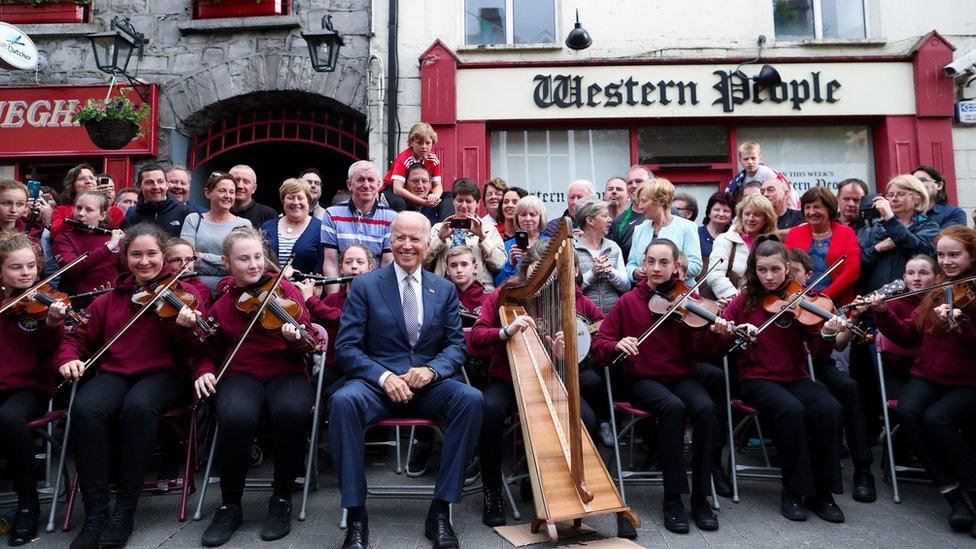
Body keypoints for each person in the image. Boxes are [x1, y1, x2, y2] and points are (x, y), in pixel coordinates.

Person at [329, 211, 483, 549]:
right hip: (377, 386)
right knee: (341, 402)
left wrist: (432, 370)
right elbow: (346, 349)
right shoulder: (367, 285)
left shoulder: (442, 289)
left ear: (428, 245)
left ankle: (440, 512)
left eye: (415, 238)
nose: (407, 245)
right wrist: (383, 376)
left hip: (426, 385)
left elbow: (457, 347)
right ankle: (356, 516)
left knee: (470, 400)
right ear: (390, 240)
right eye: (401, 237)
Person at [56, 223, 206, 549]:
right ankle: (96, 512)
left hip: (167, 375)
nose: (144, 261)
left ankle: (125, 510)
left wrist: (184, 329)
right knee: (85, 407)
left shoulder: (184, 295)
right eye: (136, 254)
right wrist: (69, 358)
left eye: (151, 254)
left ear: (163, 256)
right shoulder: (110, 299)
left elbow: (199, 349)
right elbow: (77, 339)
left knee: (139, 406)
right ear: (125, 257)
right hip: (118, 371)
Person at [193, 226, 318, 547]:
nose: (253, 265)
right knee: (235, 416)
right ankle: (230, 504)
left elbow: (309, 341)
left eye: (258, 257)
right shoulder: (225, 301)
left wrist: (294, 341)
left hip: (286, 372)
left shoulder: (285, 290)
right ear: (227, 262)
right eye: (244, 259)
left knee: (291, 413)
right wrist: (205, 370)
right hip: (241, 374)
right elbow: (208, 348)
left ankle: (281, 498)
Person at [468, 241, 603, 529]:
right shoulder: (503, 295)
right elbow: (476, 340)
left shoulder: (568, 297)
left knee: (587, 419)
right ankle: (492, 491)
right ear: (525, 272)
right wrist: (505, 331)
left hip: (550, 379)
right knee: (489, 411)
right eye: (535, 280)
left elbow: (600, 329)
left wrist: (569, 350)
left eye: (549, 280)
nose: (541, 288)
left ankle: (554, 486)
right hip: (506, 379)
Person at [593, 238, 722, 533]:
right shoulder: (628, 302)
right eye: (650, 261)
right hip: (643, 379)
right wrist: (617, 344)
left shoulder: (688, 299)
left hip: (681, 376)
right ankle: (673, 499)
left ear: (676, 266)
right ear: (643, 263)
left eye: (664, 263)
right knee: (673, 408)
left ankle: (701, 498)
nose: (655, 268)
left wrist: (717, 333)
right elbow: (600, 345)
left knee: (706, 409)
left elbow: (703, 352)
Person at [713, 236, 845, 524]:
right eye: (762, 270)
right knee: (791, 411)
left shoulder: (800, 299)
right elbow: (718, 347)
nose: (769, 277)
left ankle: (823, 493)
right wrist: (727, 331)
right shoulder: (743, 302)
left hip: (795, 378)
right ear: (754, 270)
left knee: (829, 408)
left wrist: (827, 333)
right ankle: (794, 491)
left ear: (787, 267)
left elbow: (819, 353)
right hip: (757, 379)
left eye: (775, 270)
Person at [866, 225, 976, 536]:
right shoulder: (937, 291)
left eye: (955, 255)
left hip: (968, 379)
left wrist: (961, 324)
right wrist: (883, 313)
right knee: (908, 412)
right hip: (929, 374)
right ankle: (954, 497)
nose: (947, 261)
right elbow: (905, 334)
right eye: (942, 255)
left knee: (936, 418)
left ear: (971, 255)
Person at [789, 249, 876, 503]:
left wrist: (852, 322)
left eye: (796, 273)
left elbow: (838, 344)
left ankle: (863, 470)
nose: (790, 280)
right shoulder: (773, 301)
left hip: (820, 364)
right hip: (795, 368)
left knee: (850, 388)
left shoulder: (821, 302)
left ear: (808, 275)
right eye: (787, 273)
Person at [0, 232, 67, 547]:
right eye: (16, 268)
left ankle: (28, 503)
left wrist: (52, 326)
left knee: (9, 417)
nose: (25, 273)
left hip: (31, 386)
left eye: (30, 266)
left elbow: (48, 353)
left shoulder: (45, 303)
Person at [321, 160, 395, 293]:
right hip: (343, 292)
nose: (366, 185)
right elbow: (331, 263)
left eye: (371, 180)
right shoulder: (332, 214)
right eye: (361, 180)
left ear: (379, 185)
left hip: (375, 293)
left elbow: (387, 265)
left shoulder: (391, 218)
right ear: (349, 185)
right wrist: (335, 301)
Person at [860, 174, 939, 294]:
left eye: (901, 194)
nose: (894, 199)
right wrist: (877, 249)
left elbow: (918, 251)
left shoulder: (929, 226)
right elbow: (862, 262)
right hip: (876, 297)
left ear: (918, 197)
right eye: (890, 195)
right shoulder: (878, 226)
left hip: (911, 298)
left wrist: (890, 219)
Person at [784, 187, 862, 306]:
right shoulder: (794, 233)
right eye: (807, 207)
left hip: (837, 302)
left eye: (816, 207)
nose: (811, 212)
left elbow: (852, 271)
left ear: (829, 209)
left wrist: (823, 298)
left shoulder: (846, 233)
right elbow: (787, 268)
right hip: (800, 302)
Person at [426, 178, 506, 291]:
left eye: (468, 201)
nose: (464, 206)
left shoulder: (489, 229)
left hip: (480, 292)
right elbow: (422, 262)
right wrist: (440, 238)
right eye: (459, 200)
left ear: (477, 203)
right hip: (442, 291)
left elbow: (500, 264)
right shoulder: (439, 228)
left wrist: (483, 238)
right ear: (453, 201)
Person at [181, 172, 252, 293]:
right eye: (222, 191)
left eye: (231, 192)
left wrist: (202, 256)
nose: (227, 195)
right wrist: (226, 262)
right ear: (207, 192)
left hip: (231, 288)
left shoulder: (243, 224)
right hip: (195, 288)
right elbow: (186, 259)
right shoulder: (193, 219)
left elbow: (242, 263)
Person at [52, 191, 125, 305]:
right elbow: (72, 269)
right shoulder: (64, 238)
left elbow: (126, 272)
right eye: (78, 208)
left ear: (102, 215)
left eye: (89, 210)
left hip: (111, 301)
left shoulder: (113, 237)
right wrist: (108, 248)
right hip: (76, 304)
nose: (81, 213)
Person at [626, 178, 702, 285]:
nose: (640, 207)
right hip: (646, 293)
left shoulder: (687, 227)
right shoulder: (639, 229)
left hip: (679, 293)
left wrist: (667, 269)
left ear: (660, 201)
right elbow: (631, 264)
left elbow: (696, 266)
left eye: (644, 201)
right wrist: (635, 272)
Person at [704, 195, 778, 301]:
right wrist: (737, 301)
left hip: (764, 303)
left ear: (766, 218)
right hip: (731, 303)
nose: (750, 218)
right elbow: (715, 275)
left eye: (756, 215)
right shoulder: (726, 239)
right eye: (747, 214)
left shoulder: (773, 243)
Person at [575, 196, 629, 314]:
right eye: (605, 216)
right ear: (590, 221)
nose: (610, 219)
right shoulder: (572, 248)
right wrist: (593, 273)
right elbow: (569, 290)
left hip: (612, 317)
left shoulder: (613, 247)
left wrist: (611, 271)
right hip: (583, 319)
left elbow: (626, 287)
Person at [262, 178, 323, 274]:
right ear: (283, 201)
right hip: (271, 287)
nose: (295, 202)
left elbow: (321, 265)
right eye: (290, 198)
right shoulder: (267, 227)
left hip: (305, 287)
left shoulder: (320, 228)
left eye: (300, 198)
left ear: (308, 201)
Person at [382, 122, 443, 213]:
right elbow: (397, 189)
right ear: (411, 143)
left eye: (427, 143)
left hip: (415, 189)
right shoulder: (404, 158)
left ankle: (438, 226)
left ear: (433, 143)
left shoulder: (433, 160)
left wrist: (435, 196)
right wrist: (423, 202)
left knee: (448, 197)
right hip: (392, 189)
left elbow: (438, 185)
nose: (424, 147)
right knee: (399, 203)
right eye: (419, 143)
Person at [51, 164, 124, 238]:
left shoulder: (114, 212)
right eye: (82, 178)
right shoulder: (61, 210)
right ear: (72, 185)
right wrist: (76, 213)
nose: (88, 181)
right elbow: (55, 233)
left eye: (92, 178)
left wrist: (95, 198)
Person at [122, 164, 192, 237]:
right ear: (138, 186)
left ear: (167, 184)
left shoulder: (186, 212)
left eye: (160, 181)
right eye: (149, 182)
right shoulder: (132, 213)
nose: (156, 187)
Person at [495, 195, 549, 286]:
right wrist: (511, 265)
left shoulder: (549, 244)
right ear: (517, 218)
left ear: (541, 217)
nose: (528, 219)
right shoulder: (507, 245)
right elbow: (498, 284)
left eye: (532, 214)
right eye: (523, 215)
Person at [611, 165, 653, 260]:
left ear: (651, 183)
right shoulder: (618, 222)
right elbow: (617, 260)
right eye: (630, 183)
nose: (634, 185)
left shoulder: (668, 212)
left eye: (639, 181)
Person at [164, 237, 211, 309]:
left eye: (188, 259)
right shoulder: (159, 285)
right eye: (176, 260)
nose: (184, 265)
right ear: (165, 262)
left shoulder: (201, 289)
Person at [913, 165, 966, 229]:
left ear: (939, 185)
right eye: (914, 181)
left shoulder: (954, 214)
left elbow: (945, 238)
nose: (916, 184)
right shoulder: (904, 212)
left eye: (923, 180)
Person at [698, 191, 734, 266]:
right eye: (717, 210)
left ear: (731, 216)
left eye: (726, 211)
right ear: (709, 212)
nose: (721, 214)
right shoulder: (696, 233)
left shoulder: (734, 237)